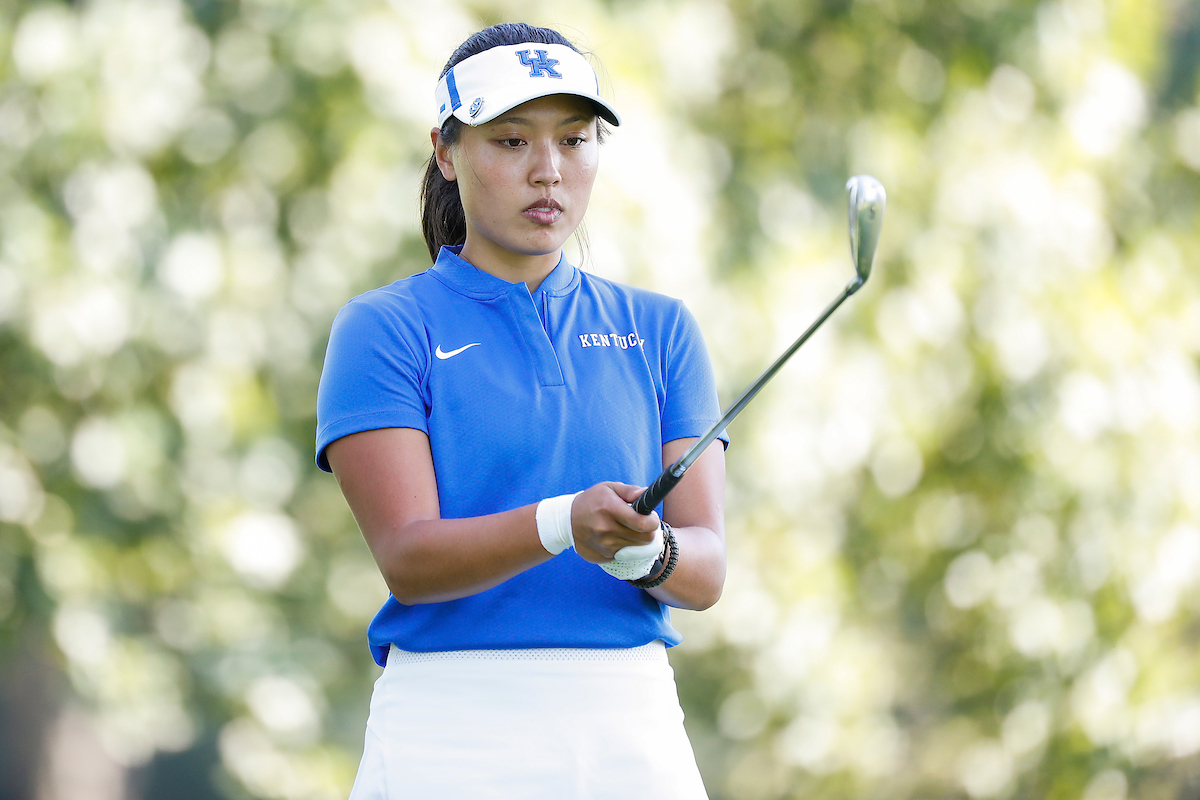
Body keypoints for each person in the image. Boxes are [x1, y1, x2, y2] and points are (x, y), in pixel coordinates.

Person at [315, 21, 727, 799]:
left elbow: (704, 571)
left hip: (629, 728)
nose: (549, 172)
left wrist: (643, 552)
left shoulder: (663, 329)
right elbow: (408, 558)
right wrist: (565, 522)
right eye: (511, 141)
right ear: (445, 151)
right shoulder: (384, 327)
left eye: (575, 140)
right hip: (450, 729)